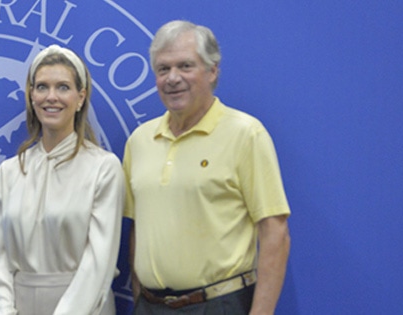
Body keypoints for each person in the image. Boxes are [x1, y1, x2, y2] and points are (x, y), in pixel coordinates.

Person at [123, 20, 292, 315]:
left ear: (213, 70)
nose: (173, 78)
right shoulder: (139, 141)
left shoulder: (246, 134)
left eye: (185, 66)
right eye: (163, 69)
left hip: (219, 305)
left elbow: (275, 233)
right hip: (150, 307)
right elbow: (139, 228)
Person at [0, 45, 125, 315]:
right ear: (31, 95)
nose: (51, 97)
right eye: (42, 87)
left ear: (81, 97)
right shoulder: (9, 172)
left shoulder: (103, 168)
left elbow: (99, 262)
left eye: (63, 87)